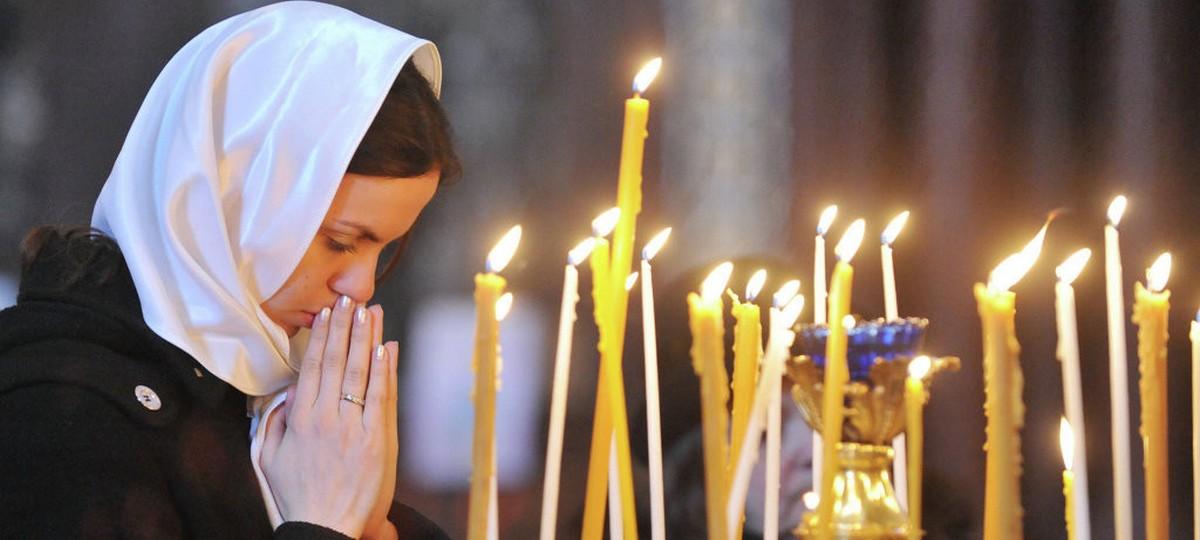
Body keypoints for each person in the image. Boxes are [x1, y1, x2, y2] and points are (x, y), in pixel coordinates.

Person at [0, 2, 459, 538]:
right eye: (339, 241)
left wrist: (375, 526)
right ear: (229, 195)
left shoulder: (267, 396)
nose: (359, 286)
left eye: (386, 249)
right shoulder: (53, 414)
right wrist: (325, 524)